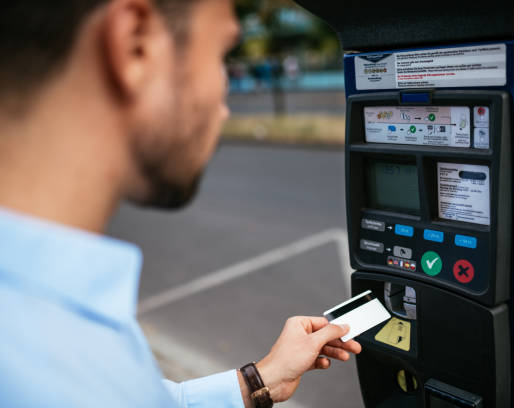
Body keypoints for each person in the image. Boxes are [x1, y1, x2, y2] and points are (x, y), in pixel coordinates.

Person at [0, 1, 361, 407]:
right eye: (220, 54)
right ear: (136, 44)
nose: (223, 106)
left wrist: (258, 382)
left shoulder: (44, 328)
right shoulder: (41, 372)